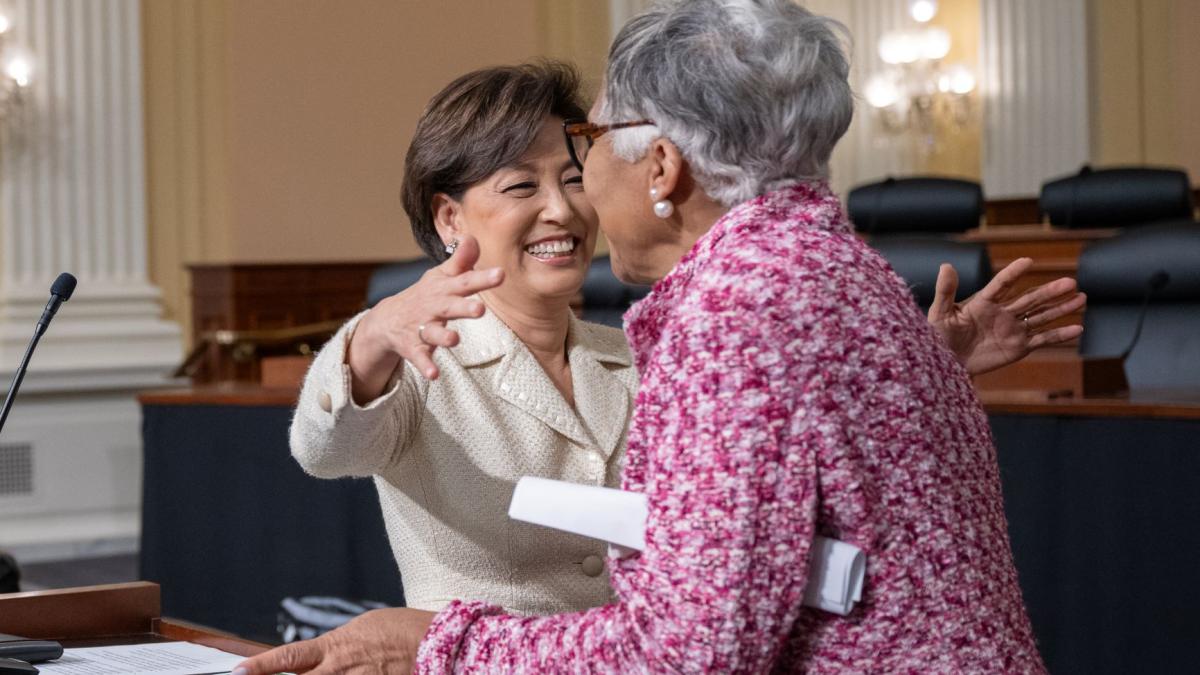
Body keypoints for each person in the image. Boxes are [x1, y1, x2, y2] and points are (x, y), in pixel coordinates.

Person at [241, 15, 1080, 668]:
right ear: (450, 216)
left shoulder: (724, 314)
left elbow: (689, 648)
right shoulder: (833, 270)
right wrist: (370, 333)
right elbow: (326, 440)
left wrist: (436, 646)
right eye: (528, 182)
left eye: (585, 155)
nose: (574, 200)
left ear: (663, 167)